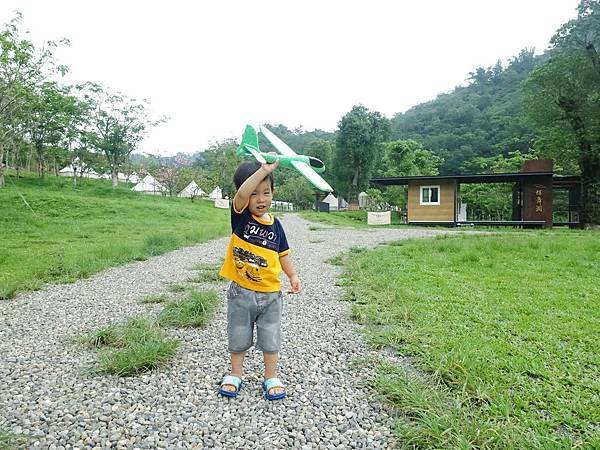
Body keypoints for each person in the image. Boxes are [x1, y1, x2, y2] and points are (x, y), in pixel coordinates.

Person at [218, 160, 301, 400]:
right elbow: (243, 192)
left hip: (271, 295)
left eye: (266, 192)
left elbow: (283, 254)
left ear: (273, 192)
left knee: (270, 336)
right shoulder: (240, 217)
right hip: (241, 292)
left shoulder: (276, 226)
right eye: (254, 194)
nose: (260, 198)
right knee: (238, 333)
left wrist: (292, 275)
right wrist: (263, 171)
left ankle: (271, 376)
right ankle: (235, 374)